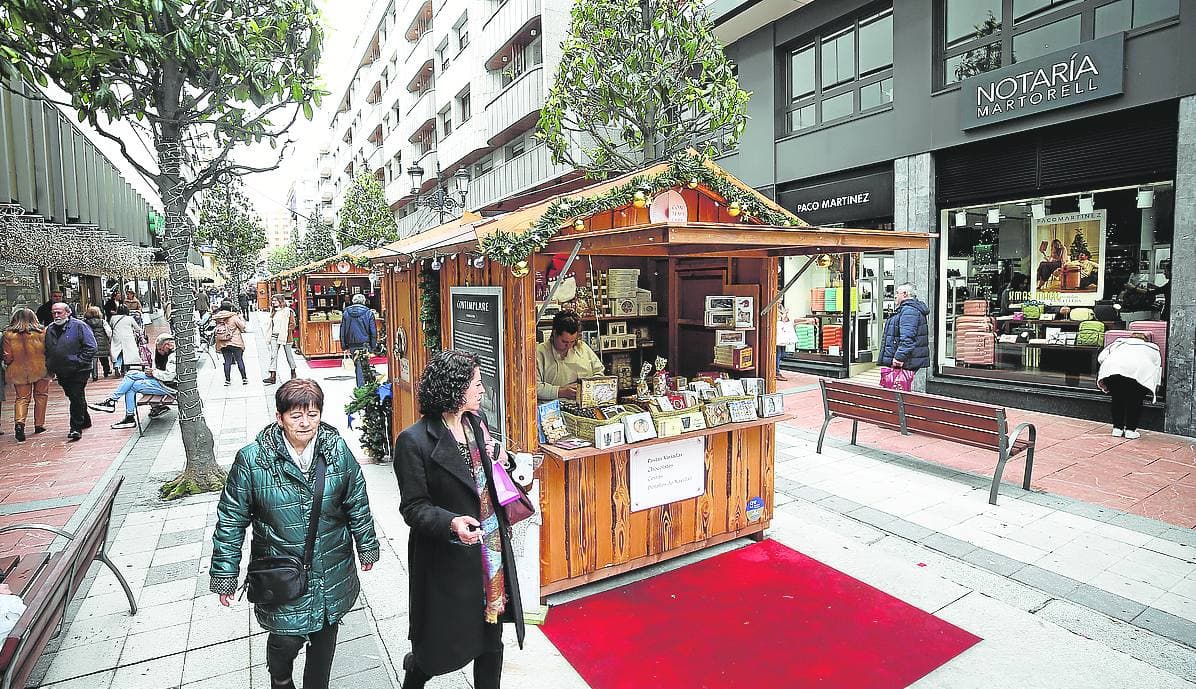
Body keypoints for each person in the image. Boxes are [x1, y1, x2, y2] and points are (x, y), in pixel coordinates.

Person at [210, 379, 380, 689]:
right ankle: (281, 678)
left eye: (312, 414)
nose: (305, 423)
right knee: (285, 639)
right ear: (279, 417)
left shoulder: (336, 450)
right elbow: (230, 521)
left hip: (331, 565)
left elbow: (356, 499)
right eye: (295, 416)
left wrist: (366, 545)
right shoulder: (253, 460)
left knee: (325, 633)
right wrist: (225, 575)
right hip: (282, 571)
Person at [393, 350, 525, 689]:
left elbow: (488, 477)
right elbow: (414, 507)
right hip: (448, 557)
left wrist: (504, 459)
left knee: (491, 639)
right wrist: (451, 523)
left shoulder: (475, 425)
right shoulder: (413, 441)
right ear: (455, 389)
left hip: (491, 549)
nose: (482, 390)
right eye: (477, 384)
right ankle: (416, 671)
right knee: (438, 646)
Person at [88, 332, 179, 429]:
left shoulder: (173, 356)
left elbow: (169, 376)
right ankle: (112, 402)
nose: (160, 352)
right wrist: (153, 372)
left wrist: (153, 373)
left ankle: (127, 415)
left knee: (133, 386)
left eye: (160, 349)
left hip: (168, 386)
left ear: (167, 345)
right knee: (131, 374)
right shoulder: (170, 353)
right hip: (162, 380)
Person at [44, 302, 96, 440]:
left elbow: (91, 347)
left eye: (59, 312)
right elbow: (48, 349)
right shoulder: (50, 329)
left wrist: (79, 361)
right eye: (54, 313)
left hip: (79, 369)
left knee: (75, 395)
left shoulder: (79, 326)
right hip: (62, 370)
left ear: (67, 313)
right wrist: (50, 366)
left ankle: (75, 427)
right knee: (74, 396)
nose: (56, 315)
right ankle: (85, 419)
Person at [1098, 333, 1161, 440]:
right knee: (1135, 402)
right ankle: (1130, 431)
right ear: (1145, 340)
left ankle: (1117, 429)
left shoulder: (1117, 344)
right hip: (1138, 377)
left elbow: (1101, 358)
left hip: (1113, 374)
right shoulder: (1152, 349)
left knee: (1117, 399)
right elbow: (1157, 369)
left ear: (1130, 338)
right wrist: (1156, 386)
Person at [535, 310, 603, 401]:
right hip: (553, 408)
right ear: (554, 334)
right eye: (564, 342)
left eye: (572, 341)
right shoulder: (539, 353)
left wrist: (587, 387)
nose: (569, 346)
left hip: (583, 404)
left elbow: (599, 372)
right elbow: (535, 387)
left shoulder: (582, 347)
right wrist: (561, 392)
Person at [2, 309, 50, 441]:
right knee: (41, 395)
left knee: (22, 398)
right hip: (40, 368)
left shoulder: (8, 334)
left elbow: (7, 356)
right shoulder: (42, 332)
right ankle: (39, 424)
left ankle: (19, 424)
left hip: (18, 370)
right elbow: (48, 350)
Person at [878, 283, 930, 390]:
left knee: (898, 391)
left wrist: (898, 358)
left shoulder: (909, 311)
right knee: (899, 390)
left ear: (905, 294)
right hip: (907, 360)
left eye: (897, 293)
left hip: (906, 361)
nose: (895, 296)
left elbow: (907, 338)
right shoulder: (907, 310)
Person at [339, 294, 378, 388]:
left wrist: (344, 346)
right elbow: (373, 331)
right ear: (364, 302)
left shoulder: (346, 312)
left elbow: (342, 330)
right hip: (365, 343)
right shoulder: (368, 313)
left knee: (358, 365)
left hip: (352, 344)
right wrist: (373, 347)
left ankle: (361, 388)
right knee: (363, 366)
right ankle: (362, 389)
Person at [213, 300, 250, 386]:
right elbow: (242, 327)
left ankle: (227, 380)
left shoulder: (218, 317)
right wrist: (241, 318)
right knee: (239, 360)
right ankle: (244, 378)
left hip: (223, 342)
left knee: (227, 361)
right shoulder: (234, 316)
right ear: (230, 308)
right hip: (235, 341)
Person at [264, 295, 297, 385]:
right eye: (272, 300)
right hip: (274, 336)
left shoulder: (288, 311)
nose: (273, 302)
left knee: (289, 355)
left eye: (275, 300)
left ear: (280, 301)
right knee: (273, 355)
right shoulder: (273, 311)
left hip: (286, 337)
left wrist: (285, 330)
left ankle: (293, 371)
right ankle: (272, 376)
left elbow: (293, 325)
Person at [82, 306, 114, 380]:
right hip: (102, 342)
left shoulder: (84, 322)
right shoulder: (102, 321)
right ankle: (106, 371)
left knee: (93, 359)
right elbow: (108, 331)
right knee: (104, 358)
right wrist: (109, 339)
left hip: (90, 342)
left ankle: (94, 375)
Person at [109, 304, 141, 375]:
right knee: (128, 353)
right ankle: (126, 369)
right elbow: (137, 328)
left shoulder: (113, 318)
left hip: (116, 336)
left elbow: (110, 326)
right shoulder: (129, 318)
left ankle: (117, 366)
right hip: (128, 337)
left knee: (118, 352)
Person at [775, 303, 796, 381]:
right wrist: (783, 315)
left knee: (782, 353)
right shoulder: (773, 307)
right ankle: (776, 372)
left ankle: (776, 370)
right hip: (777, 334)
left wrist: (785, 314)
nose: (780, 299)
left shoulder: (781, 307)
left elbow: (786, 320)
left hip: (782, 335)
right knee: (778, 353)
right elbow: (777, 319)